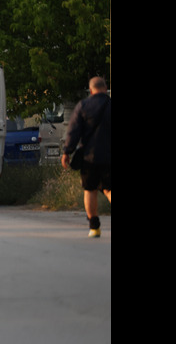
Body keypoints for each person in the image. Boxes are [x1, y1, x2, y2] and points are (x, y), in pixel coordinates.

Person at [60, 76, 111, 238]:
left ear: (90, 90)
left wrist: (67, 152)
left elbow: (73, 131)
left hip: (89, 157)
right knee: (109, 189)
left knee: (90, 190)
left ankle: (94, 227)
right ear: (106, 88)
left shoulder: (83, 106)